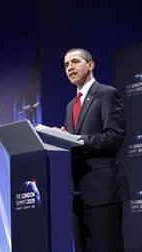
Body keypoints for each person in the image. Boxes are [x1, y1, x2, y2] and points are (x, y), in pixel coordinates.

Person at [63, 48, 125, 252]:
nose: (70, 67)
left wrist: (77, 140)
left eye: (75, 61)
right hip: (77, 194)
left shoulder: (106, 93)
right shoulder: (71, 105)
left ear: (90, 65)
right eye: (66, 65)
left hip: (103, 192)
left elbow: (114, 137)